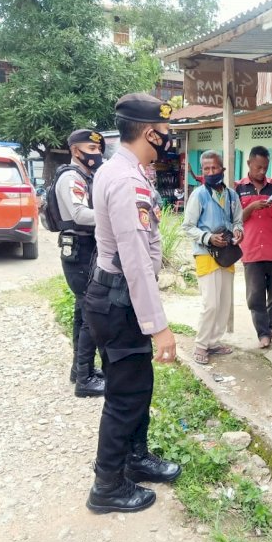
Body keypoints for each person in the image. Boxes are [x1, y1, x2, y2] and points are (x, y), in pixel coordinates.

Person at [83, 93, 181, 514]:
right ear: (148, 132)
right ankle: (107, 487)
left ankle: (135, 459)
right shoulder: (126, 180)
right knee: (126, 394)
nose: (168, 140)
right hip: (120, 301)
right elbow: (135, 260)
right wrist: (159, 326)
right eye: (165, 133)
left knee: (135, 386)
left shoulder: (124, 171)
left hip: (114, 298)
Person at [55, 129, 105, 398]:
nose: (97, 154)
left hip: (83, 249)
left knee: (81, 310)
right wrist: (112, 215)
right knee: (89, 313)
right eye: (92, 149)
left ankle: (80, 369)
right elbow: (79, 214)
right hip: (79, 251)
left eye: (98, 149)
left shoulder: (85, 176)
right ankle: (85, 380)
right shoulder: (72, 177)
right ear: (76, 151)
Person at [181, 150, 243, 365]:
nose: (210, 172)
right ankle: (200, 345)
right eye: (206, 169)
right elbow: (187, 226)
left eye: (214, 168)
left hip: (227, 254)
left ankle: (214, 342)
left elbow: (238, 221)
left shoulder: (232, 195)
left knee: (224, 302)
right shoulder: (199, 195)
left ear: (222, 170)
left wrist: (238, 231)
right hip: (206, 254)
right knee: (211, 304)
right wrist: (207, 237)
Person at [236, 146, 272, 348]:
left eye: (265, 168)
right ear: (249, 163)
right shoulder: (238, 188)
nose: (262, 172)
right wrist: (251, 207)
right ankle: (263, 333)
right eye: (258, 167)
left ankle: (271, 324)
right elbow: (235, 220)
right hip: (251, 249)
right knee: (255, 295)